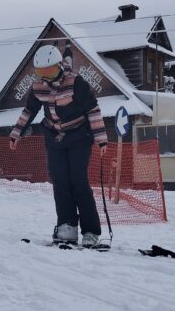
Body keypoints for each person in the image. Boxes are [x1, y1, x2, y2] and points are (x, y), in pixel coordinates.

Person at [9, 44, 108, 247]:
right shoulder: (38, 87)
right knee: (60, 182)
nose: (46, 76)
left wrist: (101, 139)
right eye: (41, 72)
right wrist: (16, 133)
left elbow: (93, 111)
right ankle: (66, 227)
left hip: (79, 137)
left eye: (50, 71)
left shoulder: (76, 83)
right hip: (54, 138)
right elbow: (29, 111)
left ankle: (91, 231)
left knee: (78, 181)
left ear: (60, 66)